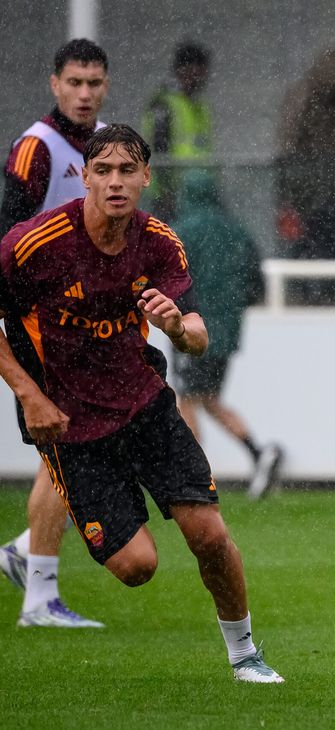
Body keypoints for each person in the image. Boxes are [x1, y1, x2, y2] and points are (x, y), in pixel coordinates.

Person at [0, 124, 283, 683]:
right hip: (69, 426)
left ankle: (245, 653)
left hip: (145, 407)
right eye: (102, 170)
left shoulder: (158, 242)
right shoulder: (33, 245)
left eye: (127, 171)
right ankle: (41, 543)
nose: (115, 182)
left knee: (208, 534)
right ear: (83, 178)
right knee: (138, 568)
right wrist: (28, 395)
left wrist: (177, 327)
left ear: (147, 177)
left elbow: (197, 333)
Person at [0, 38, 111, 628]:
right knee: (67, 446)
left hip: (94, 328)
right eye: (75, 82)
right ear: (54, 84)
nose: (85, 93)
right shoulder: (35, 149)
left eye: (94, 82)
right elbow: (8, 239)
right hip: (45, 327)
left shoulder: (108, 144)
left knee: (88, 444)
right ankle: (38, 596)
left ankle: (25, 554)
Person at [170, 170, 283, 498]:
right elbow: (256, 284)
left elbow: (168, 278)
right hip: (228, 331)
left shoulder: (182, 231)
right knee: (209, 399)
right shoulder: (236, 230)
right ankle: (259, 453)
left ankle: (196, 477)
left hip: (191, 330)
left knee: (188, 400)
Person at [277, 46, 335, 305]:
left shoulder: (330, 97)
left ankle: (328, 291)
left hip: (328, 186)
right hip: (308, 186)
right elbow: (288, 141)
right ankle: (302, 293)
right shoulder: (305, 94)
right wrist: (292, 188)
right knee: (306, 241)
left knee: (330, 241)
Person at [142, 41, 214, 221]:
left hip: (198, 194)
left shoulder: (198, 105)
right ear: (183, 70)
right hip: (172, 197)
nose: (201, 79)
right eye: (197, 72)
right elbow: (159, 151)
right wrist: (167, 194)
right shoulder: (164, 104)